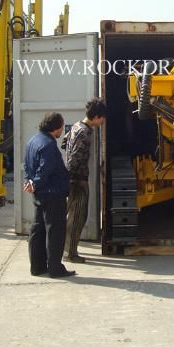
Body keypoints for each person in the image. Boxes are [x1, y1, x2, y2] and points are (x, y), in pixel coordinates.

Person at [23, 112, 75, 278]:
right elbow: (46, 169)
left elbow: (27, 166)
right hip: (53, 193)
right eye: (62, 126)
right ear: (56, 127)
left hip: (39, 193)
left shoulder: (32, 141)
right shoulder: (48, 145)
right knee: (55, 230)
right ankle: (55, 268)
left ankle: (37, 267)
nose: (62, 130)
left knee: (38, 228)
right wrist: (36, 182)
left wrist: (30, 182)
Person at [62, 98, 107, 263]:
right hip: (77, 181)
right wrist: (72, 177)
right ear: (96, 116)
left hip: (72, 179)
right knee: (77, 218)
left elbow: (64, 143)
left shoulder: (75, 126)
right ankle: (70, 253)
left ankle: (65, 249)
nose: (102, 121)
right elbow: (75, 158)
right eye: (102, 118)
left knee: (70, 216)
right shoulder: (85, 132)